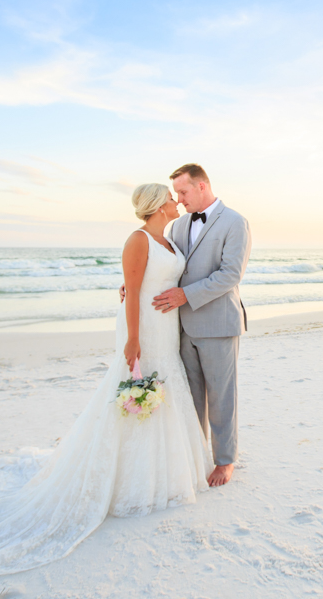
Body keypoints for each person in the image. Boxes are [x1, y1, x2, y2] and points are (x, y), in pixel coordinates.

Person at [0, 183, 213, 576]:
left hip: (167, 329)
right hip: (144, 330)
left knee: (166, 391)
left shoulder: (170, 240)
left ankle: (168, 475)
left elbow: (160, 282)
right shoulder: (138, 239)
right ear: (158, 205)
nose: (177, 201)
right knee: (135, 395)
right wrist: (134, 339)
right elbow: (135, 290)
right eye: (171, 197)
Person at [125, 164, 252, 487]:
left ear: (202, 186)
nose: (179, 200)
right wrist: (135, 286)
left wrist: (186, 295)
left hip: (219, 323)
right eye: (176, 194)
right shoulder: (178, 226)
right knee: (191, 397)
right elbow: (166, 265)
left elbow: (230, 275)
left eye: (183, 192)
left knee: (222, 398)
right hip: (181, 327)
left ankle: (225, 461)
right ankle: (196, 454)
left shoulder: (235, 222)